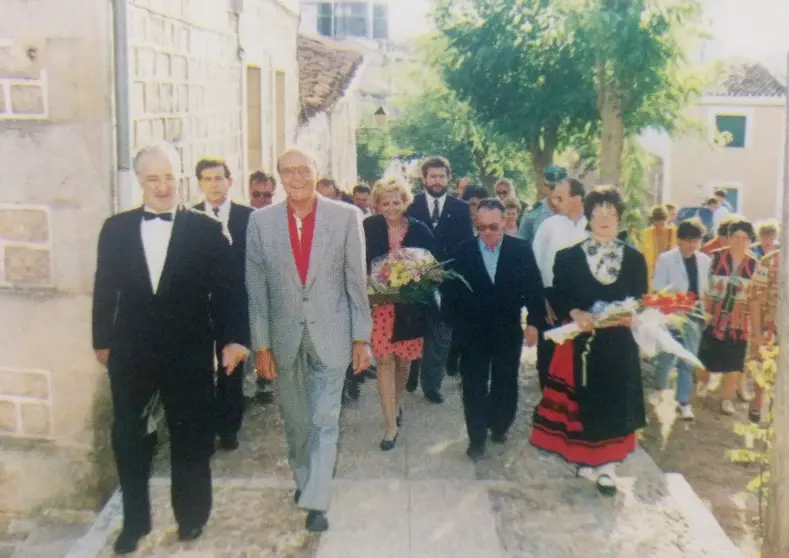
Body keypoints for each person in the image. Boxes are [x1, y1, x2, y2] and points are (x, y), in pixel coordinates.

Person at [92, 143, 249, 554]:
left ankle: (192, 518)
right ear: (139, 182)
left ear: (179, 180)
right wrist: (101, 340)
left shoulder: (205, 228)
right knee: (128, 437)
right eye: (152, 179)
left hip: (189, 352)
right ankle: (135, 522)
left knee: (191, 438)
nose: (162, 187)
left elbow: (229, 291)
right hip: (131, 352)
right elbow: (105, 288)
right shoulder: (116, 228)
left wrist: (233, 340)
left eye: (168, 178)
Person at [246, 147, 372, 533]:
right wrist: (261, 346)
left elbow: (356, 282)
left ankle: (317, 500)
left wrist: (361, 338)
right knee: (298, 422)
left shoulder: (347, 217)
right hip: (284, 339)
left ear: (316, 173)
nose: (296, 177)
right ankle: (305, 481)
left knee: (325, 417)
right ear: (279, 177)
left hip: (331, 336)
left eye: (303, 170)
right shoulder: (261, 223)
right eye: (288, 171)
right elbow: (257, 290)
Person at [531, 186, 648, 496]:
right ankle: (587, 460)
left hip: (618, 346)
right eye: (598, 214)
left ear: (620, 219)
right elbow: (558, 292)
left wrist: (630, 314)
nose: (604, 220)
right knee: (583, 404)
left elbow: (640, 298)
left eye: (611, 214)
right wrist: (574, 311)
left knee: (611, 402)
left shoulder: (635, 259)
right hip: (581, 345)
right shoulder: (568, 257)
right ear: (588, 217)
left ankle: (607, 467)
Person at [442, 198, 545, 461]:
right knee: (473, 385)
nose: (488, 233)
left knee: (506, 381)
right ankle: (476, 438)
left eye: (494, 227)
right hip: (472, 331)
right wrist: (453, 329)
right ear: (476, 224)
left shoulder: (520, 250)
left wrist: (534, 322)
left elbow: (534, 288)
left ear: (505, 223)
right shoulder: (462, 251)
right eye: (483, 227)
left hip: (507, 328)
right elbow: (450, 294)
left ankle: (500, 425)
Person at [363, 176, 436, 450]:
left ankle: (397, 403)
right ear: (377, 205)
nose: (391, 207)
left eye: (396, 202)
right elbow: (358, 263)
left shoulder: (420, 231)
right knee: (383, 360)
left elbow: (433, 270)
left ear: (405, 201)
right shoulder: (368, 228)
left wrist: (417, 274)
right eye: (385, 203)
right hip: (380, 306)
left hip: (410, 309)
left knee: (404, 362)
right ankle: (390, 425)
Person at [193, 157, 254, 450]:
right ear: (199, 183)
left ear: (230, 181)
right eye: (207, 179)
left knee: (232, 368)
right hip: (201, 307)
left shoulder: (249, 217)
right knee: (201, 370)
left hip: (236, 304)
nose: (213, 184)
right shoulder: (189, 218)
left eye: (219, 178)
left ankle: (230, 428)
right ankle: (205, 429)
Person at [405, 156, 474, 403]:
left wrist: (450, 274)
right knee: (413, 329)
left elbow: (466, 245)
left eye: (441, 176)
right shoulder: (411, 205)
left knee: (441, 334)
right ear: (424, 179)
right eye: (432, 176)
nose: (437, 181)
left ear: (448, 178)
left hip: (448, 281)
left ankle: (432, 384)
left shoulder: (461, 208)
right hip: (414, 279)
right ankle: (411, 372)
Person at [696, 218, 759, 415]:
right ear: (729, 238)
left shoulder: (755, 265)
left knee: (734, 363)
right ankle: (701, 388)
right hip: (712, 317)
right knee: (704, 357)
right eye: (736, 236)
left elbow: (756, 297)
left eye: (744, 238)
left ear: (750, 241)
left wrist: (756, 327)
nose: (739, 241)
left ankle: (726, 400)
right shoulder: (714, 259)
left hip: (738, 321)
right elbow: (702, 287)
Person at [532, 177, 588, 390]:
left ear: (576, 198)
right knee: (549, 355)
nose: (554, 201)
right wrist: (542, 300)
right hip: (551, 301)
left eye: (560, 197)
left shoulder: (592, 227)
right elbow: (534, 265)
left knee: (578, 356)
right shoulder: (549, 226)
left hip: (585, 300)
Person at [652, 219, 711, 420]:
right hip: (671, 314)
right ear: (679, 240)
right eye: (687, 240)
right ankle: (662, 393)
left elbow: (706, 288)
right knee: (666, 358)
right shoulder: (666, 259)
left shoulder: (704, 260)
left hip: (694, 315)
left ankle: (683, 401)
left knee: (688, 359)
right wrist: (675, 304)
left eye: (696, 241)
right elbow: (659, 287)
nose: (692, 245)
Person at [748, 247, 780, 423]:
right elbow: (754, 299)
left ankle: (777, 414)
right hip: (769, 326)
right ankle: (758, 405)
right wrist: (757, 333)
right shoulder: (769, 261)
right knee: (762, 369)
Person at [518, 164, 567, 245]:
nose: (557, 192)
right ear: (545, 188)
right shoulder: (532, 214)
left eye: (561, 188)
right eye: (552, 187)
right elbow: (521, 247)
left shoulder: (573, 213)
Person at [640, 205, 677, 286]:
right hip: (651, 278)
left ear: (667, 220)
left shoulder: (674, 233)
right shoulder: (646, 234)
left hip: (670, 277)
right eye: (655, 225)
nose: (659, 228)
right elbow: (641, 255)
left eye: (662, 224)